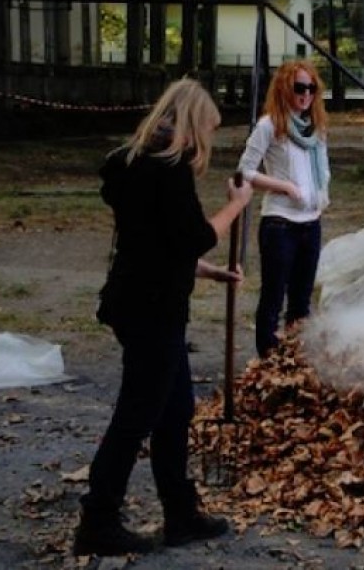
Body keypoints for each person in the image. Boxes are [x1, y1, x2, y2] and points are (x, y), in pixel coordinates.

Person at [73, 79, 253, 556]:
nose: (205, 143)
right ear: (193, 124)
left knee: (175, 411)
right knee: (136, 415)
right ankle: (98, 520)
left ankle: (180, 513)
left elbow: (157, 244)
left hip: (141, 300)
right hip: (152, 310)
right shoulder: (168, 169)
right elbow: (193, 235)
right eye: (207, 131)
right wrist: (236, 205)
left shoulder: (135, 164)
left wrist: (209, 274)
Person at [238, 60, 331, 357]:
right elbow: (245, 171)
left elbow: (323, 169)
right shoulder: (269, 126)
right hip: (280, 223)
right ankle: (267, 361)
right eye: (299, 88)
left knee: (301, 300)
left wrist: (322, 193)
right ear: (284, 89)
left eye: (311, 88)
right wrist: (284, 186)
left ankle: (294, 360)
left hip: (311, 221)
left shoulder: (316, 130)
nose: (305, 95)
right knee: (273, 296)